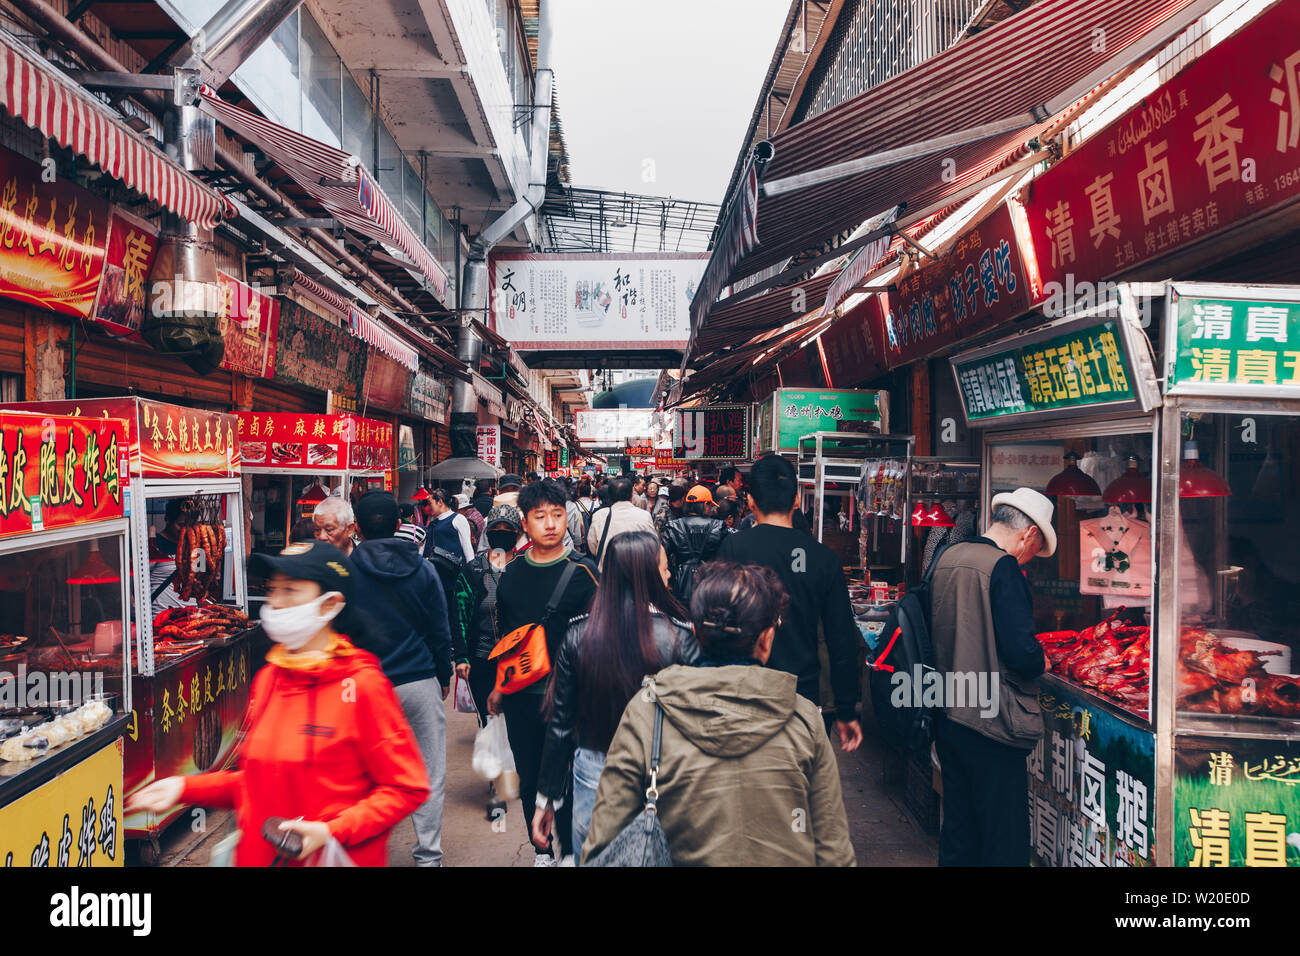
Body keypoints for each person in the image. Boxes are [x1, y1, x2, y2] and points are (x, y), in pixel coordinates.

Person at [127, 540, 429, 866]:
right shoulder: (271, 679)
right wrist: (184, 787)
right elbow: (260, 780)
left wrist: (331, 830)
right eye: (273, 590)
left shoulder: (363, 687)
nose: (276, 603)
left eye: (291, 591)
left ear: (330, 605)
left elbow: (406, 788)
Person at [582, 561, 855, 866]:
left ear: (696, 633)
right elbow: (833, 850)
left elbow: (603, 842)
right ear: (766, 639)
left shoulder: (648, 712)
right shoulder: (805, 720)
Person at [532, 531, 698, 859]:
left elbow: (561, 724)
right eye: (664, 568)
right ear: (648, 575)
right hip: (664, 773)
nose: (668, 574)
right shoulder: (680, 638)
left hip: (594, 770)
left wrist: (547, 799)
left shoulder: (579, 635)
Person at [929, 487, 1052, 867]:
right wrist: (1042, 660)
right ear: (1029, 534)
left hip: (948, 713)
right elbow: (1021, 653)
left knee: (960, 830)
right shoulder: (1003, 568)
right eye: (1037, 546)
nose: (1032, 555)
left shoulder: (949, 556)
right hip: (991, 722)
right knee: (1003, 837)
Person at [716, 454, 863, 753]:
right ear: (796, 500)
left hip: (745, 694)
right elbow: (842, 640)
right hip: (804, 699)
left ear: (751, 500)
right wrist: (847, 710)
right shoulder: (823, 559)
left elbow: (718, 622)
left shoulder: (733, 547)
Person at [490, 479, 599, 865]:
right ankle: (542, 850)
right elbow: (507, 637)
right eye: (540, 516)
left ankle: (570, 849)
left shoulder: (586, 573)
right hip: (523, 698)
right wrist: (500, 688)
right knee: (530, 777)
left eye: (557, 515)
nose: (551, 524)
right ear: (524, 521)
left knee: (569, 777)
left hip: (573, 700)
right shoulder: (512, 576)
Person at [348, 491, 453, 867]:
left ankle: (363, 849)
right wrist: (444, 674)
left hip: (362, 687)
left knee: (362, 772)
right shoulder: (423, 569)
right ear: (399, 524)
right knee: (429, 770)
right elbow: (440, 628)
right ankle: (428, 856)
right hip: (417, 681)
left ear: (356, 528)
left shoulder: (345, 573)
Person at [459, 505, 524, 723]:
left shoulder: (526, 567)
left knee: (517, 722)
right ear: (488, 532)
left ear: (518, 533)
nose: (502, 532)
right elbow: (460, 614)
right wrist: (461, 656)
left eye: (508, 528)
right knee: (488, 721)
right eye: (498, 528)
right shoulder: (475, 570)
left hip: (519, 661)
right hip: (482, 657)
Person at [661, 485, 727, 603]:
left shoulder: (674, 526)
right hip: (710, 582)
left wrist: (672, 578)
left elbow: (662, 555)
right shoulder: (718, 526)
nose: (711, 508)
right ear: (705, 504)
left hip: (681, 583)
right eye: (710, 505)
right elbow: (725, 557)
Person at [585, 475, 657, 570]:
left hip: (607, 574)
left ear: (610, 496)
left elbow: (593, 547)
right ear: (631, 496)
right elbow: (654, 546)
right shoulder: (644, 516)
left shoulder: (599, 516)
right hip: (636, 574)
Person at [149, 498, 193, 615]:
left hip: (193, 616)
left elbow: (200, 579)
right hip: (162, 617)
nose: (185, 530)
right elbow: (137, 585)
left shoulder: (197, 545)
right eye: (180, 525)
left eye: (189, 525)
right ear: (168, 520)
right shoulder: (155, 545)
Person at [425, 489, 475, 564]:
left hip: (454, 570)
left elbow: (467, 547)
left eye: (430, 503)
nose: (428, 507)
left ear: (440, 502)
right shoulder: (433, 522)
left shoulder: (458, 519)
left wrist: (471, 568)